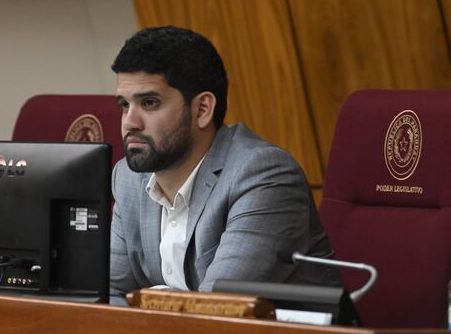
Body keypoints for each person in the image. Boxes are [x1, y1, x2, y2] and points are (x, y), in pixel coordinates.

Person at [110, 26, 340, 302]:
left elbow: (218, 312)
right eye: (124, 104)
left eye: (149, 103)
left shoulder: (263, 176)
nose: (129, 122)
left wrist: (145, 304)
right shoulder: (127, 179)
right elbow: (108, 297)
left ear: (202, 109)